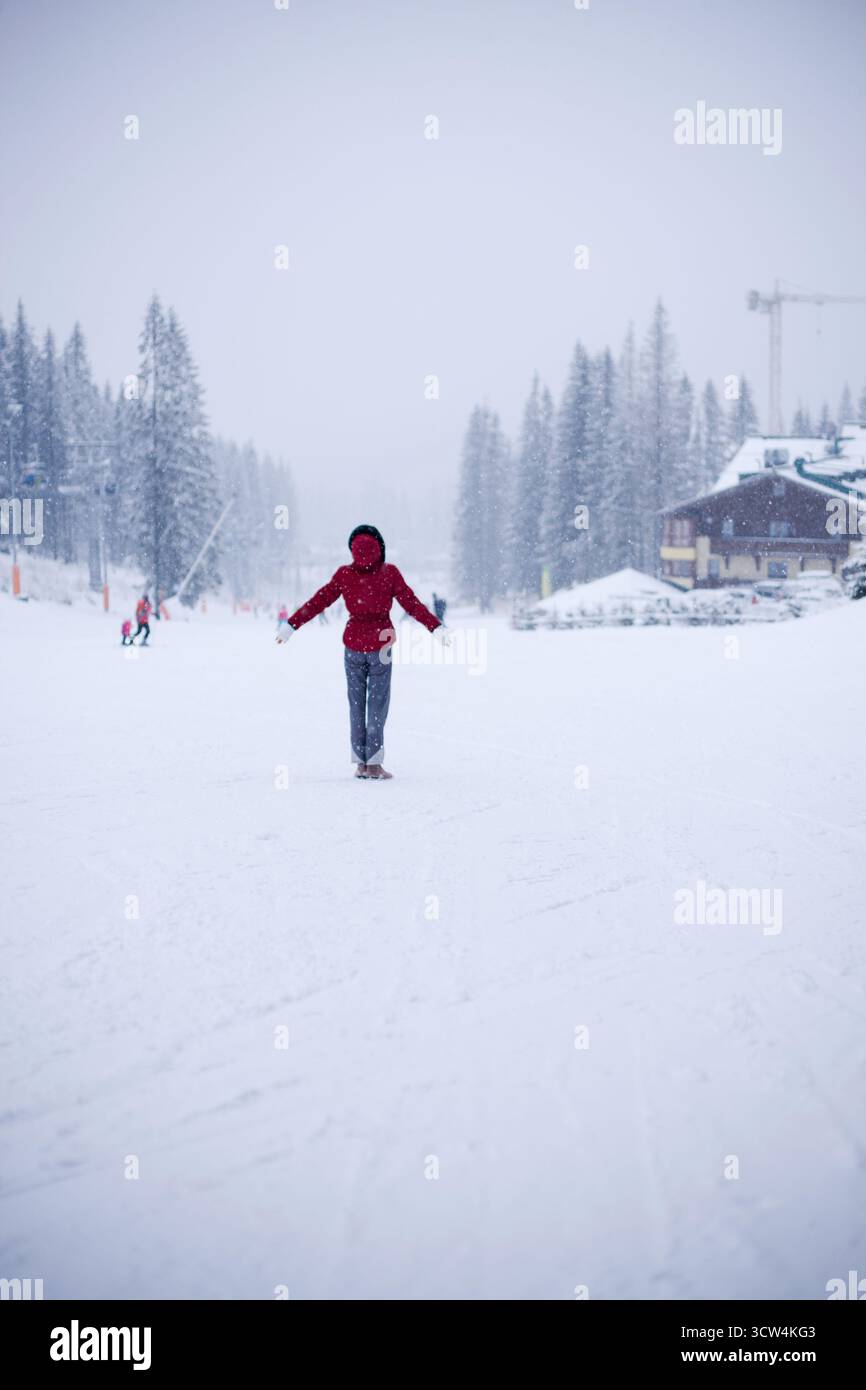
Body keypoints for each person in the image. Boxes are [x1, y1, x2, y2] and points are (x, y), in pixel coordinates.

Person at [276, 524, 450, 779]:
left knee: (356, 704)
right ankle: (375, 764)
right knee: (377, 704)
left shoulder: (345, 575)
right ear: (380, 548)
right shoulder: (389, 573)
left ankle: (360, 762)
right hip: (381, 645)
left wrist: (291, 625)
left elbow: (319, 600)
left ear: (352, 549)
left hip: (353, 646)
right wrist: (435, 627)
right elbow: (411, 603)